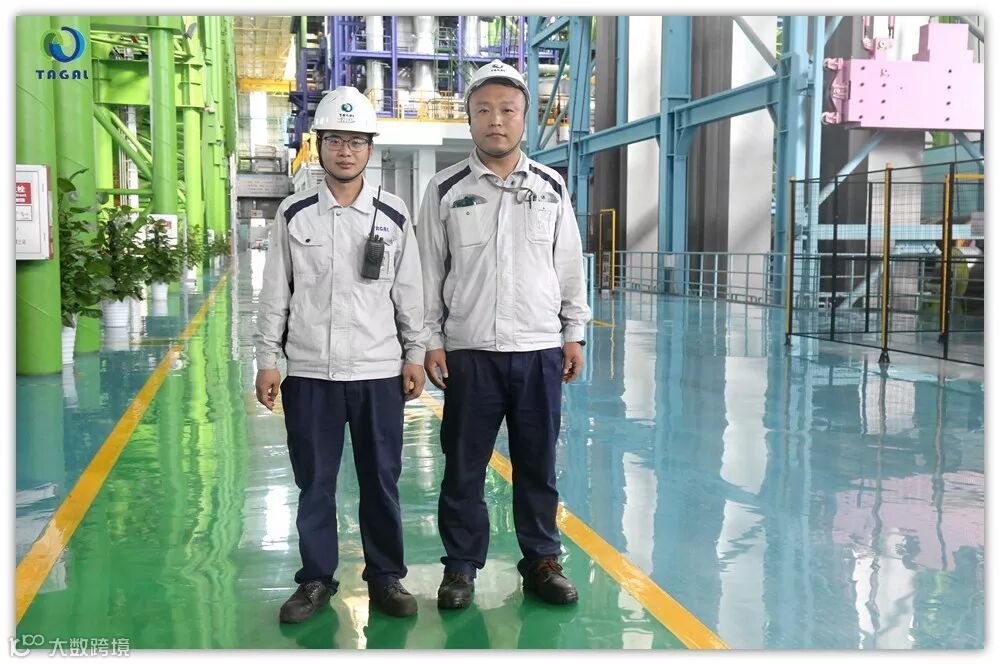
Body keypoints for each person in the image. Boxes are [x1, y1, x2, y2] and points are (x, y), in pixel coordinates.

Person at [416, 60, 592, 610]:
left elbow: (569, 264)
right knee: (463, 466)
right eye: (484, 110)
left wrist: (574, 332)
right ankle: (460, 566)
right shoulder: (445, 189)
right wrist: (430, 340)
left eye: (508, 110)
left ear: (524, 118)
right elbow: (427, 271)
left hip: (538, 350)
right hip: (470, 353)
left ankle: (542, 560)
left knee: (538, 464)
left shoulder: (550, 186)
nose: (496, 120)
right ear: (469, 118)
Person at [254, 85, 428, 622]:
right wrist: (267, 360)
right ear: (319, 144)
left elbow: (410, 291)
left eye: (355, 141)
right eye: (335, 140)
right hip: (310, 373)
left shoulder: (393, 214)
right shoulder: (294, 213)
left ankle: (386, 578)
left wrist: (415, 352)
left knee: (382, 481)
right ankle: (315, 580)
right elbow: (275, 292)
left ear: (370, 149)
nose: (345, 151)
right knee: (315, 484)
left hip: (378, 372)